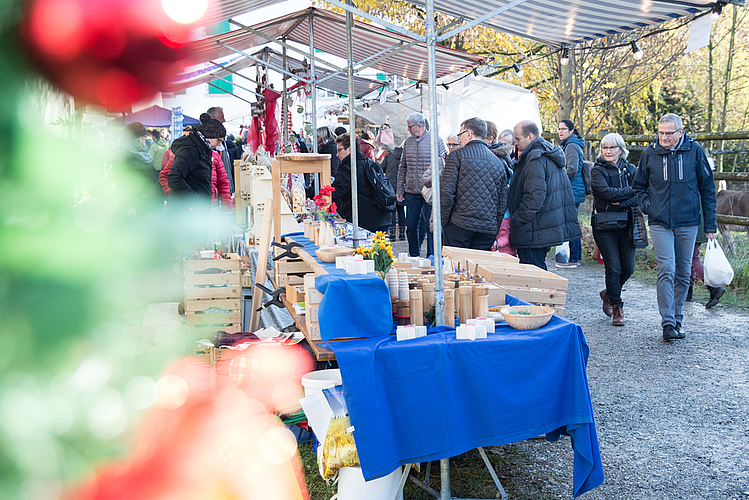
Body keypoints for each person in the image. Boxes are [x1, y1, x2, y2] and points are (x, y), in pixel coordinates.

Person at [633, 113, 717, 341]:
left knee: (682, 271)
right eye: (660, 132)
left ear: (681, 132)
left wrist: (710, 224)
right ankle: (668, 322)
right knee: (666, 269)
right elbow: (638, 186)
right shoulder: (650, 153)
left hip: (688, 221)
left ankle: (677, 317)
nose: (664, 137)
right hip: (660, 222)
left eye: (669, 133)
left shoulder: (695, 151)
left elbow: (708, 189)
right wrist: (648, 206)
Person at [508, 120, 581, 270]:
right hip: (541, 226)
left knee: (533, 273)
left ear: (530, 136)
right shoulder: (544, 153)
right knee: (537, 271)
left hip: (534, 229)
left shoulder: (536, 158)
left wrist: (517, 218)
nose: (515, 143)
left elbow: (534, 196)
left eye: (518, 139)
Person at [440, 117, 507, 250]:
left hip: (458, 225)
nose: (459, 140)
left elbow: (446, 193)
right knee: (479, 269)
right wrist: (494, 228)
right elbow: (502, 203)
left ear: (469, 134)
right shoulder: (499, 163)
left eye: (460, 135)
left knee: (456, 268)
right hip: (487, 230)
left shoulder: (456, 156)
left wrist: (444, 222)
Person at [591, 133, 637, 326]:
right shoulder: (597, 170)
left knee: (628, 267)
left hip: (627, 223)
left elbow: (640, 193)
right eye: (604, 148)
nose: (608, 151)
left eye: (612, 147)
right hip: (604, 224)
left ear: (621, 149)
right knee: (614, 267)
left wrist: (621, 199)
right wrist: (629, 192)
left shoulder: (631, 169)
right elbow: (605, 193)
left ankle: (608, 293)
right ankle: (618, 307)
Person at [396, 112, 447, 257]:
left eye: (409, 127)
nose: (408, 130)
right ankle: (414, 256)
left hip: (430, 193)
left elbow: (444, 166)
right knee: (411, 226)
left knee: (431, 227)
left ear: (419, 126)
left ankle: (432, 257)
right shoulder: (408, 143)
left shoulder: (436, 140)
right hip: (412, 192)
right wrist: (400, 189)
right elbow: (402, 167)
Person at [332, 133, 392, 233]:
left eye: (339, 150)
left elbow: (336, 192)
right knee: (379, 247)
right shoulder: (370, 163)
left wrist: (321, 194)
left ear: (350, 148)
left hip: (366, 220)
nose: (337, 154)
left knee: (366, 248)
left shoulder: (349, 168)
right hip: (382, 217)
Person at [167, 113, 226, 205]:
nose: (219, 144)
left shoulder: (204, 148)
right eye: (218, 140)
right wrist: (194, 201)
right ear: (209, 136)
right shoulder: (190, 150)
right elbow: (174, 177)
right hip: (185, 211)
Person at [557, 119, 587, 268]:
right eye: (559, 129)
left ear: (571, 131)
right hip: (572, 189)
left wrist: (558, 178)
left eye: (563, 129)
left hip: (572, 190)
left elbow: (572, 169)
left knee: (570, 225)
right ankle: (574, 257)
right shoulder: (570, 145)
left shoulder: (571, 146)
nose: (560, 131)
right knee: (571, 223)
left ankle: (573, 258)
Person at [123, 122, 163, 214]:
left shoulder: (144, 154)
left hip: (152, 203)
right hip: (140, 207)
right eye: (144, 137)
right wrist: (130, 207)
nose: (146, 139)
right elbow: (126, 184)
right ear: (136, 139)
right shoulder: (128, 157)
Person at [687, 210, 725, 308]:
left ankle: (713, 286)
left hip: (691, 223)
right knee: (691, 257)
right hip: (699, 223)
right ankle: (688, 291)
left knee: (692, 258)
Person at [381, 144, 406, 241]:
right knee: (401, 210)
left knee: (392, 211)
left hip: (390, 186)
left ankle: (392, 235)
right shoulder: (405, 156)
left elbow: (381, 167)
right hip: (401, 186)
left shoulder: (389, 155)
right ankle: (402, 234)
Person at [207, 106, 233, 194]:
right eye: (222, 117)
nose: (224, 120)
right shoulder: (202, 148)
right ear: (212, 119)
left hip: (222, 192)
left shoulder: (222, 141)